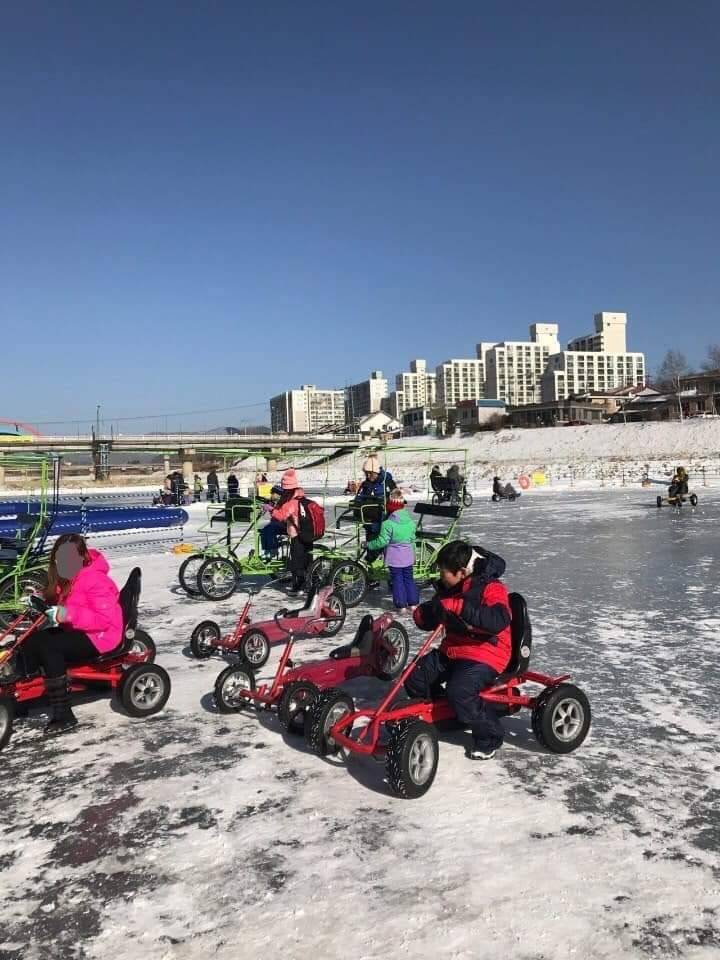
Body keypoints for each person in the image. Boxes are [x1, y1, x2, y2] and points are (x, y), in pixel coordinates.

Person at [406, 539, 511, 761]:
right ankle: (451, 713)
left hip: (486, 653)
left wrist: (461, 607)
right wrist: (424, 615)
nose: (440, 576)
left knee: (460, 691)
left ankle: (489, 736)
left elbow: (499, 619)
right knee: (414, 678)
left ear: (461, 572)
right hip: (454, 650)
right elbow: (436, 612)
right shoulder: (449, 588)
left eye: (444, 572)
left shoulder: (492, 588)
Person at [21, 535, 123, 737]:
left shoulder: (95, 579)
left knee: (50, 647)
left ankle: (64, 713)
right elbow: (61, 600)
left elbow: (104, 619)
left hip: (101, 636)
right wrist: (39, 599)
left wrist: (66, 614)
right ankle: (21, 690)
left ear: (82, 556)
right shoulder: (68, 576)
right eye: (59, 558)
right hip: (79, 629)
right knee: (33, 638)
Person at [367, 489, 419, 614]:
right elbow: (413, 540)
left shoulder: (387, 524)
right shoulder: (411, 523)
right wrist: (414, 554)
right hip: (407, 556)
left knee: (397, 580)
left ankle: (401, 605)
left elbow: (382, 541)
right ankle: (413, 603)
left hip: (395, 558)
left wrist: (369, 544)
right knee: (409, 579)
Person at [271, 469, 311, 593]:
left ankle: (298, 587)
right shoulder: (301, 496)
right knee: (307, 559)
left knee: (297, 563)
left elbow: (280, 516)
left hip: (297, 534)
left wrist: (270, 509)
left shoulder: (291, 501)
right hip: (308, 533)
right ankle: (308, 583)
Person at [355, 455, 395, 562]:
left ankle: (374, 561)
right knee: (371, 541)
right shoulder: (366, 484)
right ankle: (371, 565)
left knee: (379, 541)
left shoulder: (387, 481)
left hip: (383, 518)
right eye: (366, 473)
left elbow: (396, 496)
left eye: (370, 473)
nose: (368, 475)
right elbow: (359, 497)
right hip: (370, 519)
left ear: (376, 472)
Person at [259, 485, 285, 558]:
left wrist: (271, 509)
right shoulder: (273, 501)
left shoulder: (283, 502)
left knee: (270, 528)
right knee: (263, 529)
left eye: (273, 493)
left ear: (278, 494)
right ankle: (267, 550)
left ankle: (273, 550)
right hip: (277, 523)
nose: (271, 495)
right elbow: (267, 509)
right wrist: (263, 509)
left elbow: (281, 515)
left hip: (284, 524)